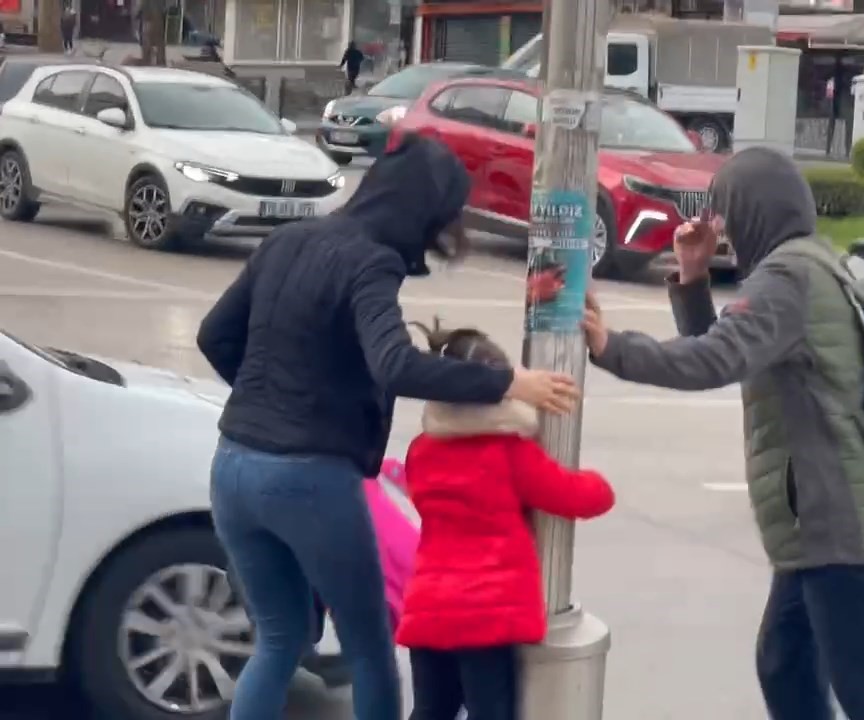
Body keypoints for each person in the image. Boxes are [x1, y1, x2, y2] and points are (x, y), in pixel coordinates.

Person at [196, 133, 579, 720]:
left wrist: (266, 403)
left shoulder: (289, 239)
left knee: (278, 640)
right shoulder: (370, 260)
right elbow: (395, 364)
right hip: (308, 478)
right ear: (420, 212)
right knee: (369, 645)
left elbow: (214, 335)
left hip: (232, 467)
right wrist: (508, 384)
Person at [581, 147, 864, 720]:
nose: (721, 228)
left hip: (832, 516)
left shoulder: (787, 278)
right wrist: (691, 279)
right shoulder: (807, 265)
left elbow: (710, 361)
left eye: (724, 212)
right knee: (785, 664)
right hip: (819, 515)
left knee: (862, 684)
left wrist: (613, 348)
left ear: (753, 209)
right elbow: (733, 355)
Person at [396, 319, 615, 720]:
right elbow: (579, 497)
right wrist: (598, 481)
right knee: (491, 711)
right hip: (485, 617)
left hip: (428, 609)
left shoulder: (422, 451)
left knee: (431, 709)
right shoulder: (508, 452)